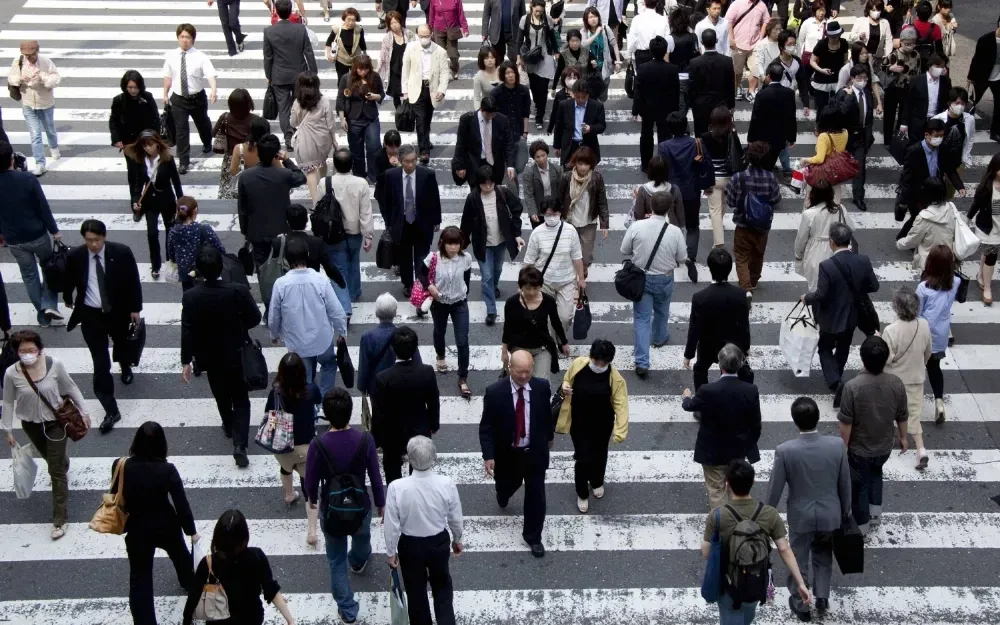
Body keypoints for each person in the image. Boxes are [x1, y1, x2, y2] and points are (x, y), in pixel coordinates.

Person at [304, 388, 386, 625]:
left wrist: (312, 498)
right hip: (360, 505)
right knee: (362, 539)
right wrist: (380, 502)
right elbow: (375, 475)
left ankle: (348, 609)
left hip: (332, 507)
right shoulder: (365, 439)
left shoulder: (318, 444)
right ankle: (359, 561)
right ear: (350, 413)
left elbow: (310, 481)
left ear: (327, 415)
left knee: (335, 559)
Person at [766, 397, 850, 621]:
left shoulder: (785, 451)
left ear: (795, 422)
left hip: (801, 515)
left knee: (798, 557)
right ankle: (822, 596)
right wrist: (846, 509)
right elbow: (845, 482)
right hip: (829, 513)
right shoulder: (836, 445)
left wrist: (766, 513)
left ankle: (800, 603)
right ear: (818, 418)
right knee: (823, 554)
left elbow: (775, 487)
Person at [107, 422, 197, 624]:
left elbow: (115, 494)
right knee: (182, 558)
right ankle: (188, 583)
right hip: (166, 525)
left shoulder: (120, 466)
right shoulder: (167, 470)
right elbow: (181, 504)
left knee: (140, 579)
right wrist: (191, 531)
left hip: (137, 527)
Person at [3, 330, 89, 540]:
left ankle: (60, 519)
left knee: (55, 470)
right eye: (22, 351)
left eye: (31, 350)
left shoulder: (54, 364)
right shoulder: (11, 373)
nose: (27, 354)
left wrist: (84, 412)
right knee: (51, 458)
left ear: (39, 349)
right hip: (31, 425)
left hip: (56, 423)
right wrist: (8, 430)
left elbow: (71, 387)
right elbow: (7, 401)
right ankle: (62, 462)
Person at [703, 460, 812, 624]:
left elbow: (706, 551)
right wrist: (801, 583)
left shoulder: (717, 515)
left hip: (728, 585)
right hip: (756, 581)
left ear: (727, 484)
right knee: (747, 616)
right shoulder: (769, 513)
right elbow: (784, 549)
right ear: (753, 482)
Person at [181, 246, 262, 467]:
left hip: (208, 355)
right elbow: (255, 318)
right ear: (221, 266)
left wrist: (186, 360)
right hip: (236, 351)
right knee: (241, 398)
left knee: (220, 392)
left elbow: (187, 329)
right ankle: (240, 444)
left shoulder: (191, 297)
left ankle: (228, 424)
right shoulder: (237, 290)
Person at [63, 219, 141, 434]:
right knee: (100, 362)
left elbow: (133, 280)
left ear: (104, 237)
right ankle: (110, 409)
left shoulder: (121, 252)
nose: (94, 245)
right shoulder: (76, 256)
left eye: (97, 240)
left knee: (123, 345)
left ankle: (125, 366)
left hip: (118, 312)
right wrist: (67, 295)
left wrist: (135, 308)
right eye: (89, 240)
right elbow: (70, 278)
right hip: (90, 314)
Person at [479, 350, 554, 557]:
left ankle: (533, 537)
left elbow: (546, 415)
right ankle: (503, 493)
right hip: (508, 453)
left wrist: (549, 437)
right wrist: (489, 456)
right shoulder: (495, 392)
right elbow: (486, 427)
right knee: (507, 485)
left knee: (536, 494)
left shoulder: (541, 387)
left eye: (528, 372)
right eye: (519, 371)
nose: (523, 376)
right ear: (510, 368)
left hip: (535, 452)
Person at [384, 436, 463, 625]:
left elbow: (392, 524)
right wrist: (457, 539)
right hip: (438, 542)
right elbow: (455, 516)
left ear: (409, 459)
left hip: (410, 545)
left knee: (415, 590)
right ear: (434, 457)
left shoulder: (397, 487)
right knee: (442, 584)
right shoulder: (446, 483)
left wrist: (390, 551)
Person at [803, 222, 879, 407]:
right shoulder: (863, 260)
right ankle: (836, 377)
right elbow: (874, 286)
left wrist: (807, 298)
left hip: (830, 316)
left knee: (825, 347)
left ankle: (836, 383)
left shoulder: (826, 266)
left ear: (832, 242)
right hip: (853, 314)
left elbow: (821, 295)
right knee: (844, 345)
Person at [838, 335, 908, 534]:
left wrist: (844, 447)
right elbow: (902, 414)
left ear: (862, 359)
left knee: (859, 484)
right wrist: (903, 437)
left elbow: (846, 422)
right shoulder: (896, 383)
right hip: (884, 445)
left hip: (860, 448)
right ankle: (875, 512)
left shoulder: (852, 387)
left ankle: (862, 526)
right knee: (877, 474)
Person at [681, 343, 762, 509]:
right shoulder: (750, 390)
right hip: (738, 449)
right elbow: (756, 425)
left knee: (716, 490)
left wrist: (686, 397)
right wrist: (747, 445)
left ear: (720, 364)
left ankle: (722, 525)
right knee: (737, 487)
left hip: (713, 451)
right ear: (740, 363)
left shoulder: (707, 390)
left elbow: (690, 406)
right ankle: (740, 523)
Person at [182, 509, 295, 625]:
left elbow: (193, 597)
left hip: (219, 620)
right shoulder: (256, 557)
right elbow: (271, 590)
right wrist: (290, 620)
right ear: (244, 537)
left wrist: (186, 620)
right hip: (251, 618)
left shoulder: (208, 563)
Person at [269, 238, 349, 398]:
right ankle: (325, 399)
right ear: (307, 255)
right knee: (328, 364)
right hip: (322, 338)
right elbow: (335, 309)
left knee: (304, 375)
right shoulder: (320, 280)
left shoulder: (281, 284)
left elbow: (274, 315)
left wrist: (274, 334)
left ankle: (310, 404)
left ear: (286, 259)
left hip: (297, 341)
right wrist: (342, 330)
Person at [556, 339, 629, 512]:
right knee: (583, 458)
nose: (599, 365)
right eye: (596, 361)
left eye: (603, 363)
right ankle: (582, 493)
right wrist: (564, 388)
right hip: (579, 423)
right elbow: (567, 381)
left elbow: (621, 404)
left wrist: (620, 430)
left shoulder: (616, 379)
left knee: (600, 455)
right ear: (591, 357)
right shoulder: (578, 365)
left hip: (602, 425)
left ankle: (597, 481)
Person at [622, 192, 687, 378]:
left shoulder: (637, 227)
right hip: (664, 277)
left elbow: (624, 250)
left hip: (642, 277)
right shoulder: (674, 231)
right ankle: (659, 337)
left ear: (650, 206)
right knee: (662, 309)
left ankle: (642, 361)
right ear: (668, 208)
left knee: (642, 318)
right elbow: (682, 257)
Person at [0, 141, 61, 325]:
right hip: (37, 234)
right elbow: (42, 207)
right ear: (12, 158)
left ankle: (43, 315)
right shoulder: (27, 179)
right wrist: (54, 230)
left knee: (29, 276)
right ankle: (49, 303)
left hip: (13, 239)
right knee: (49, 268)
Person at [372, 326, 441, 483]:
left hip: (392, 432)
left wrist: (376, 437)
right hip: (419, 426)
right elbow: (433, 400)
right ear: (415, 348)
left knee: (392, 468)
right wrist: (434, 424)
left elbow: (379, 412)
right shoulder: (426, 372)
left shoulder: (383, 378)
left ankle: (395, 498)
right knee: (419, 467)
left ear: (392, 349)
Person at [266, 353, 322, 542]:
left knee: (285, 468)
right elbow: (318, 399)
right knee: (309, 489)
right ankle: (312, 531)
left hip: (282, 446)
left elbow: (269, 415)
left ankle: (289, 494)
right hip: (305, 448)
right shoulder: (310, 390)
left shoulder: (275, 393)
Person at [460, 165, 524, 325]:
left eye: (490, 183)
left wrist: (516, 233)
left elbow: (517, 208)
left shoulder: (502, 193)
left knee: (497, 269)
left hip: (502, 240)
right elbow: (466, 222)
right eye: (484, 184)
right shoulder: (473, 198)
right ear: (478, 183)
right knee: (487, 275)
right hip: (482, 243)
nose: (488, 187)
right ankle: (491, 310)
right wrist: (462, 242)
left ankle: (492, 287)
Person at [683, 248, 753, 389]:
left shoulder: (700, 297)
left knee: (700, 370)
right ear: (729, 268)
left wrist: (689, 354)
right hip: (733, 345)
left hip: (707, 345)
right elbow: (744, 325)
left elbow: (695, 328)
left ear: (710, 268)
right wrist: (745, 348)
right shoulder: (740, 295)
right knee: (735, 369)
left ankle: (702, 401)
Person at [237, 134, 306, 274]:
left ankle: (267, 293)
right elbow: (301, 177)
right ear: (276, 155)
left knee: (262, 267)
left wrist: (245, 230)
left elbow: (242, 207)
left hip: (256, 230)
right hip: (280, 229)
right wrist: (287, 160)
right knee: (283, 265)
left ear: (258, 152)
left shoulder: (246, 176)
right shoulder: (284, 174)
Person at [418, 226, 474, 397]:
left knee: (462, 340)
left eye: (456, 243)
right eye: (450, 243)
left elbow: (467, 278)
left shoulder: (466, 259)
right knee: (439, 332)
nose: (453, 247)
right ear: (443, 243)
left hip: (459, 303)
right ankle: (440, 356)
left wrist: (463, 292)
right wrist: (430, 286)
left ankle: (463, 378)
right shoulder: (434, 258)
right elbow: (421, 273)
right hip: (439, 303)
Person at [882, 287, 933, 469]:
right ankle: (921, 450)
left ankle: (890, 440)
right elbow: (928, 352)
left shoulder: (891, 330)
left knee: (889, 411)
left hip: (894, 379)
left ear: (897, 307)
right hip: (915, 377)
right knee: (913, 415)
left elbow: (886, 358)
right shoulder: (924, 325)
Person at [383, 144, 443, 297]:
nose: (411, 165)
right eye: (407, 161)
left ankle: (421, 283)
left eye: (413, 160)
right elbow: (386, 201)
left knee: (422, 257)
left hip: (422, 222)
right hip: (401, 222)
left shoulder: (427, 174)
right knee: (404, 257)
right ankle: (408, 284)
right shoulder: (391, 175)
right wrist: (389, 222)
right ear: (401, 161)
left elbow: (434, 198)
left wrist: (436, 220)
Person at [725, 141, 782, 300]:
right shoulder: (770, 178)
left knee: (742, 256)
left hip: (743, 224)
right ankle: (754, 280)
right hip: (762, 226)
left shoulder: (738, 178)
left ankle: (746, 288)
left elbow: (730, 202)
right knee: (758, 254)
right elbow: (776, 199)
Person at [124, 130, 181, 280]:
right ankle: (155, 265)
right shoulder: (139, 160)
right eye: (144, 146)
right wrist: (135, 202)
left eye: (150, 145)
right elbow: (137, 185)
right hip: (149, 202)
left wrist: (180, 200)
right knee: (152, 233)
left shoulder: (167, 158)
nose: (147, 148)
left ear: (157, 143)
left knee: (170, 231)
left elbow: (175, 180)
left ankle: (171, 260)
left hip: (167, 199)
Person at [522, 198, 586, 332]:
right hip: (544, 282)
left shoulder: (570, 231)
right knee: (544, 317)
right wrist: (522, 284)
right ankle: (554, 343)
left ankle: (559, 338)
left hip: (566, 281)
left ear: (560, 213)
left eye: (555, 214)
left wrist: (581, 278)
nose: (551, 218)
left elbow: (577, 257)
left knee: (565, 317)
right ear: (543, 214)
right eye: (548, 214)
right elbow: (529, 261)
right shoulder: (537, 234)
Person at [896, 118, 965, 238]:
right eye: (936, 135)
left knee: (923, 218)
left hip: (935, 191)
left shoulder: (943, 149)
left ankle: (910, 238)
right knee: (918, 217)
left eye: (942, 135)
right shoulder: (914, 151)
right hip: (917, 193)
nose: (939, 138)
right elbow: (907, 177)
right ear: (927, 135)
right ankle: (905, 238)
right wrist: (903, 200)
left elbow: (950, 169)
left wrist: (959, 186)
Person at [162, 24, 217, 175]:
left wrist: (213, 90)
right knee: (181, 130)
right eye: (182, 37)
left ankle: (207, 142)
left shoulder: (201, 57)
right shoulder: (171, 56)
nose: (185, 40)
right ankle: (183, 161)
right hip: (179, 99)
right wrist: (165, 93)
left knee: (202, 123)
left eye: (188, 37)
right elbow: (167, 77)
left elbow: (210, 75)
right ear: (178, 38)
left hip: (197, 98)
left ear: (193, 39)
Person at [329, 147, 375, 316]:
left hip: (333, 233)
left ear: (334, 164)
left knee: (339, 267)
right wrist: (368, 235)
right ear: (352, 164)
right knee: (354, 261)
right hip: (354, 231)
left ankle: (344, 299)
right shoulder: (361, 183)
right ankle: (354, 292)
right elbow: (365, 211)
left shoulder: (325, 183)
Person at [917, 244, 960, 423]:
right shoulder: (956, 282)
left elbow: (917, 312)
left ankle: (914, 404)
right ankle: (939, 402)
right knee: (935, 368)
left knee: (917, 368)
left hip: (924, 333)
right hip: (941, 334)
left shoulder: (923, 288)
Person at [502, 266, 569, 378]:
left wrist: (564, 342)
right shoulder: (511, 303)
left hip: (542, 347)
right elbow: (507, 327)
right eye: (528, 288)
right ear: (521, 286)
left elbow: (556, 322)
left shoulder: (548, 301)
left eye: (536, 288)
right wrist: (504, 352)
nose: (532, 292)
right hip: (519, 347)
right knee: (522, 379)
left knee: (542, 382)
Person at [358, 293, 423, 406]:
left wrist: (363, 387)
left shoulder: (367, 337)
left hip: (377, 386)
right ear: (395, 313)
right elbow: (417, 363)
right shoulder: (405, 335)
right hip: (402, 384)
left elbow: (364, 365)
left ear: (377, 313)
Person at [7, 40, 60, 176]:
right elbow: (11, 78)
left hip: (45, 103)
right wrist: (20, 78)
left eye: (31, 55)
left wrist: (42, 77)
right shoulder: (18, 61)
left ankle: (54, 147)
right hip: (28, 103)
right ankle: (40, 163)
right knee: (35, 134)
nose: (28, 58)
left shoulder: (45, 62)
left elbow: (56, 79)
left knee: (49, 128)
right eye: (26, 55)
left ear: (37, 51)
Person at [402, 25, 451, 163]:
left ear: (432, 34)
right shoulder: (411, 48)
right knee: (421, 119)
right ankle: (424, 151)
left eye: (426, 35)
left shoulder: (440, 51)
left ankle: (425, 140)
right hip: (416, 88)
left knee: (427, 117)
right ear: (417, 35)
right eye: (421, 36)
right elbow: (405, 70)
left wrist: (442, 90)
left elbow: (445, 72)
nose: (424, 38)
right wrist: (405, 91)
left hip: (432, 89)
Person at [110, 70, 159, 206]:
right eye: (130, 87)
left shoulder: (147, 98)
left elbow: (155, 119)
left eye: (135, 87)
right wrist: (116, 139)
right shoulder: (119, 100)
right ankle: (136, 201)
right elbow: (114, 121)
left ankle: (147, 198)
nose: (132, 90)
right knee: (133, 174)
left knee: (147, 170)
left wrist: (154, 140)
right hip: (129, 144)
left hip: (147, 142)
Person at [290, 73, 338, 207]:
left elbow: (293, 123)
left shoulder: (297, 103)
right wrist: (334, 140)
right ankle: (322, 187)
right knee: (322, 162)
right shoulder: (324, 101)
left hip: (306, 142)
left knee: (310, 170)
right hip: (323, 140)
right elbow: (330, 124)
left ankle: (316, 203)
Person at [833, 63, 876, 212]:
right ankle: (831, 195)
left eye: (865, 78)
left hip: (861, 136)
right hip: (845, 135)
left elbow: (869, 115)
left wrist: (869, 135)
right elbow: (838, 113)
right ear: (852, 78)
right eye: (859, 78)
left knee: (860, 168)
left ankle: (858, 197)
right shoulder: (843, 93)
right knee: (837, 165)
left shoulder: (868, 94)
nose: (862, 81)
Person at [795, 181, 852, 292]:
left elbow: (801, 239)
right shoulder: (840, 209)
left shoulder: (809, 214)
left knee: (816, 289)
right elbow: (851, 228)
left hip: (815, 252)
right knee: (836, 289)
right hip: (837, 249)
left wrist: (799, 256)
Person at [558, 146, 608, 272]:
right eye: (580, 163)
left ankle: (582, 275)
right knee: (569, 253)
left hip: (588, 222)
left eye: (587, 164)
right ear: (575, 162)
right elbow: (558, 199)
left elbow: (602, 201)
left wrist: (604, 224)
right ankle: (575, 282)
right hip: (569, 221)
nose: (583, 167)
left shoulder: (596, 178)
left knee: (586, 256)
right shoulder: (566, 177)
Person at [336, 56, 384, 183]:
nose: (363, 72)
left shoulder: (374, 77)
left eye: (366, 69)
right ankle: (359, 176)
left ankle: (374, 175)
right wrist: (342, 119)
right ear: (355, 68)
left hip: (371, 118)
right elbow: (340, 99)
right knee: (356, 150)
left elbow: (381, 94)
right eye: (360, 69)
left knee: (374, 147)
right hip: (353, 118)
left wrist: (375, 96)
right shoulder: (346, 79)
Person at [453, 95, 517, 190]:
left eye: (493, 114)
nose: (491, 117)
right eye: (488, 114)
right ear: (481, 109)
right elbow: (461, 144)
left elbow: (508, 143)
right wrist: (460, 166)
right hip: (475, 162)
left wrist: (510, 165)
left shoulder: (502, 120)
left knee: (495, 191)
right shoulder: (467, 120)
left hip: (495, 163)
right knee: (476, 191)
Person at [636, 37, 681, 171]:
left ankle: (645, 164)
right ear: (665, 50)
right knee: (665, 136)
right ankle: (663, 163)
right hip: (666, 108)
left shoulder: (643, 68)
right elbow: (676, 91)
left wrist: (636, 110)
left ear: (650, 51)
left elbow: (638, 90)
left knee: (646, 135)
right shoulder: (672, 69)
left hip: (647, 107)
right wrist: (676, 109)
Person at [274, 203, 346, 285]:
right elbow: (329, 268)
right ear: (307, 220)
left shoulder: (278, 242)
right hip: (312, 284)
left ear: (287, 222)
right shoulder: (317, 242)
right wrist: (341, 282)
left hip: (287, 286)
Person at [166, 196, 225, 291]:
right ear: (195, 211)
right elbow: (220, 249)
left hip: (185, 274)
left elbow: (171, 255)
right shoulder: (203, 229)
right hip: (204, 272)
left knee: (190, 299)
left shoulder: (173, 232)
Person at [699, 107, 739, 247]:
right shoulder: (732, 136)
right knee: (723, 204)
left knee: (714, 210)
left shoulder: (705, 137)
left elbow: (702, 161)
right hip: (729, 179)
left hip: (713, 179)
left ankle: (719, 243)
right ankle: (719, 226)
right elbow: (739, 155)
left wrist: (704, 183)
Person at [895, 177, 955, 269]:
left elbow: (913, 240)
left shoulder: (924, 218)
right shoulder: (951, 208)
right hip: (948, 259)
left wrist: (899, 243)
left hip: (929, 262)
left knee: (928, 283)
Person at [747, 62, 797, 172]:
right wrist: (792, 137)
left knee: (764, 161)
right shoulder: (789, 93)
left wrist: (751, 138)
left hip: (763, 135)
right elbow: (792, 117)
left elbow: (755, 117)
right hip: (780, 135)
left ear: (769, 76)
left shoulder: (762, 94)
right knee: (774, 156)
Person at [517, 1, 558, 129]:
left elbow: (552, 37)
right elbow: (519, 40)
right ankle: (537, 105)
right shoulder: (525, 19)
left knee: (543, 87)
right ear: (532, 8)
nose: (539, 13)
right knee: (534, 88)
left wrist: (556, 52)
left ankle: (539, 116)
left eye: (541, 11)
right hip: (530, 57)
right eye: (536, 11)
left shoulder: (548, 19)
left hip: (545, 56)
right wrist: (519, 57)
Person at [687, 28, 736, 136]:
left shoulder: (694, 62)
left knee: (701, 134)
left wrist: (691, 102)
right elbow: (730, 84)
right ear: (716, 41)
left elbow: (691, 86)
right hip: (721, 103)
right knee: (721, 134)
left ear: (702, 42)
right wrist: (731, 105)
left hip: (700, 105)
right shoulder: (727, 61)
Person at [881, 25, 924, 146]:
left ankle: (897, 138)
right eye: (907, 43)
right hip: (894, 88)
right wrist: (891, 68)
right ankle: (888, 140)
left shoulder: (916, 55)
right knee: (889, 115)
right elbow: (882, 67)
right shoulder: (894, 55)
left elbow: (919, 71)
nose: (910, 46)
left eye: (912, 43)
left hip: (908, 89)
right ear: (902, 42)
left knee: (903, 116)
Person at [798, 104, 848, 206]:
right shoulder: (845, 132)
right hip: (836, 173)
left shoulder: (824, 137)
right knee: (835, 202)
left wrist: (805, 160)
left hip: (822, 175)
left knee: (810, 202)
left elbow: (820, 159)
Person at [213, 88, 258, 199]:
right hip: (250, 157)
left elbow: (214, 133)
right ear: (248, 103)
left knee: (230, 187)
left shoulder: (225, 117)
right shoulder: (255, 120)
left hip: (231, 158)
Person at [968, 153, 1000, 305]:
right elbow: (976, 205)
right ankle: (987, 287)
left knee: (988, 253)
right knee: (991, 258)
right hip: (989, 229)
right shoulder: (987, 187)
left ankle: (981, 275)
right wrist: (967, 220)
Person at [932, 87, 976, 197]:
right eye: (957, 103)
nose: (960, 106)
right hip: (938, 163)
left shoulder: (969, 119)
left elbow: (970, 138)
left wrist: (966, 155)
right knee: (936, 195)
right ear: (949, 103)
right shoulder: (938, 119)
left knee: (949, 195)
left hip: (956, 163)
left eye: (963, 103)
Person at [899, 53, 951, 145]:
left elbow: (947, 100)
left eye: (942, 66)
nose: (940, 69)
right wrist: (904, 123)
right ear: (930, 65)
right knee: (915, 147)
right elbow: (908, 103)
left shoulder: (945, 81)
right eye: (937, 65)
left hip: (935, 120)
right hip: (917, 122)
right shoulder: (916, 80)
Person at [552, 81, 606, 168]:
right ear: (573, 94)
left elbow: (602, 126)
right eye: (577, 97)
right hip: (570, 146)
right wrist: (556, 146)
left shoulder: (597, 106)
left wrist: (590, 128)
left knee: (587, 176)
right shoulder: (564, 105)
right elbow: (559, 127)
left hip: (588, 146)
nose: (581, 100)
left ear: (588, 95)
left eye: (584, 97)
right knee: (568, 176)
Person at [491, 62, 532, 173]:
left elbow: (526, 113)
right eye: (507, 73)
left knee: (520, 167)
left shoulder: (524, 91)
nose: (510, 75)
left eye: (512, 72)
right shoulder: (496, 93)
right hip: (504, 136)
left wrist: (525, 133)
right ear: (502, 76)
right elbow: (493, 115)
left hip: (519, 134)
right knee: (509, 168)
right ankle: (513, 189)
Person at [726, 0, 770, 101]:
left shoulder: (761, 5)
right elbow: (728, 21)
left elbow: (766, 21)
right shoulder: (737, 3)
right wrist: (731, 39)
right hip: (738, 44)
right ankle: (737, 88)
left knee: (756, 68)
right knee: (737, 70)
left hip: (754, 44)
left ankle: (751, 91)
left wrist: (760, 38)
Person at [966, 16, 1000, 143]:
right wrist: (970, 77)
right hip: (983, 76)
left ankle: (995, 132)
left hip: (998, 78)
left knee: (999, 106)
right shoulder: (985, 40)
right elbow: (976, 60)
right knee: (974, 100)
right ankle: (964, 122)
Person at [581, 6, 622, 103]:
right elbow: (583, 44)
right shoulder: (584, 31)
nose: (593, 19)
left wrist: (618, 62)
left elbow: (614, 43)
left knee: (603, 96)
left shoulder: (605, 28)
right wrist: (596, 34)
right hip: (589, 68)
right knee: (590, 94)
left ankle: (599, 107)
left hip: (604, 66)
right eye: (590, 17)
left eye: (595, 16)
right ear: (586, 19)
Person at [631, 155, 685, 225]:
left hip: (649, 227)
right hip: (670, 226)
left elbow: (639, 214)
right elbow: (680, 214)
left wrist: (636, 199)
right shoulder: (674, 189)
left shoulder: (643, 190)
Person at [380, 12, 418, 109]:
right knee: (396, 95)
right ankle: (399, 114)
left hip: (408, 70)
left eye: (396, 22)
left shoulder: (409, 34)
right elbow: (383, 56)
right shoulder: (387, 38)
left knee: (409, 94)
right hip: (394, 70)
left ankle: (408, 112)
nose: (395, 25)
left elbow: (416, 50)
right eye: (392, 23)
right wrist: (380, 72)